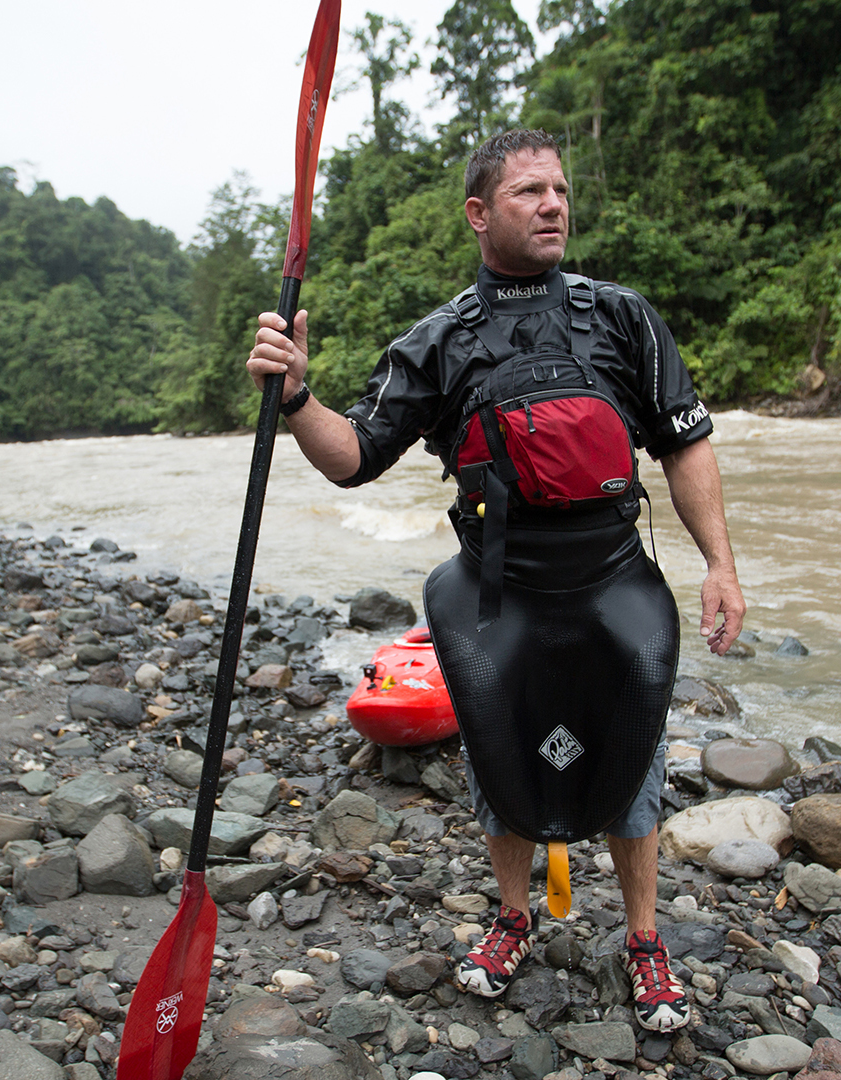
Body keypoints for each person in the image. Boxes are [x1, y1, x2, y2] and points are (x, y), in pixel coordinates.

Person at [246, 129, 745, 1032]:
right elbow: (353, 457)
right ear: (480, 214)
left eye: (559, 189)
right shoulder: (439, 342)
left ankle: (642, 937)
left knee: (630, 759)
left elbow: (683, 440)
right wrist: (294, 397)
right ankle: (514, 916)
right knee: (500, 759)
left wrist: (719, 564)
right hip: (498, 592)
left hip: (611, 581)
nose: (553, 204)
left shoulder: (622, 318)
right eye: (528, 192)